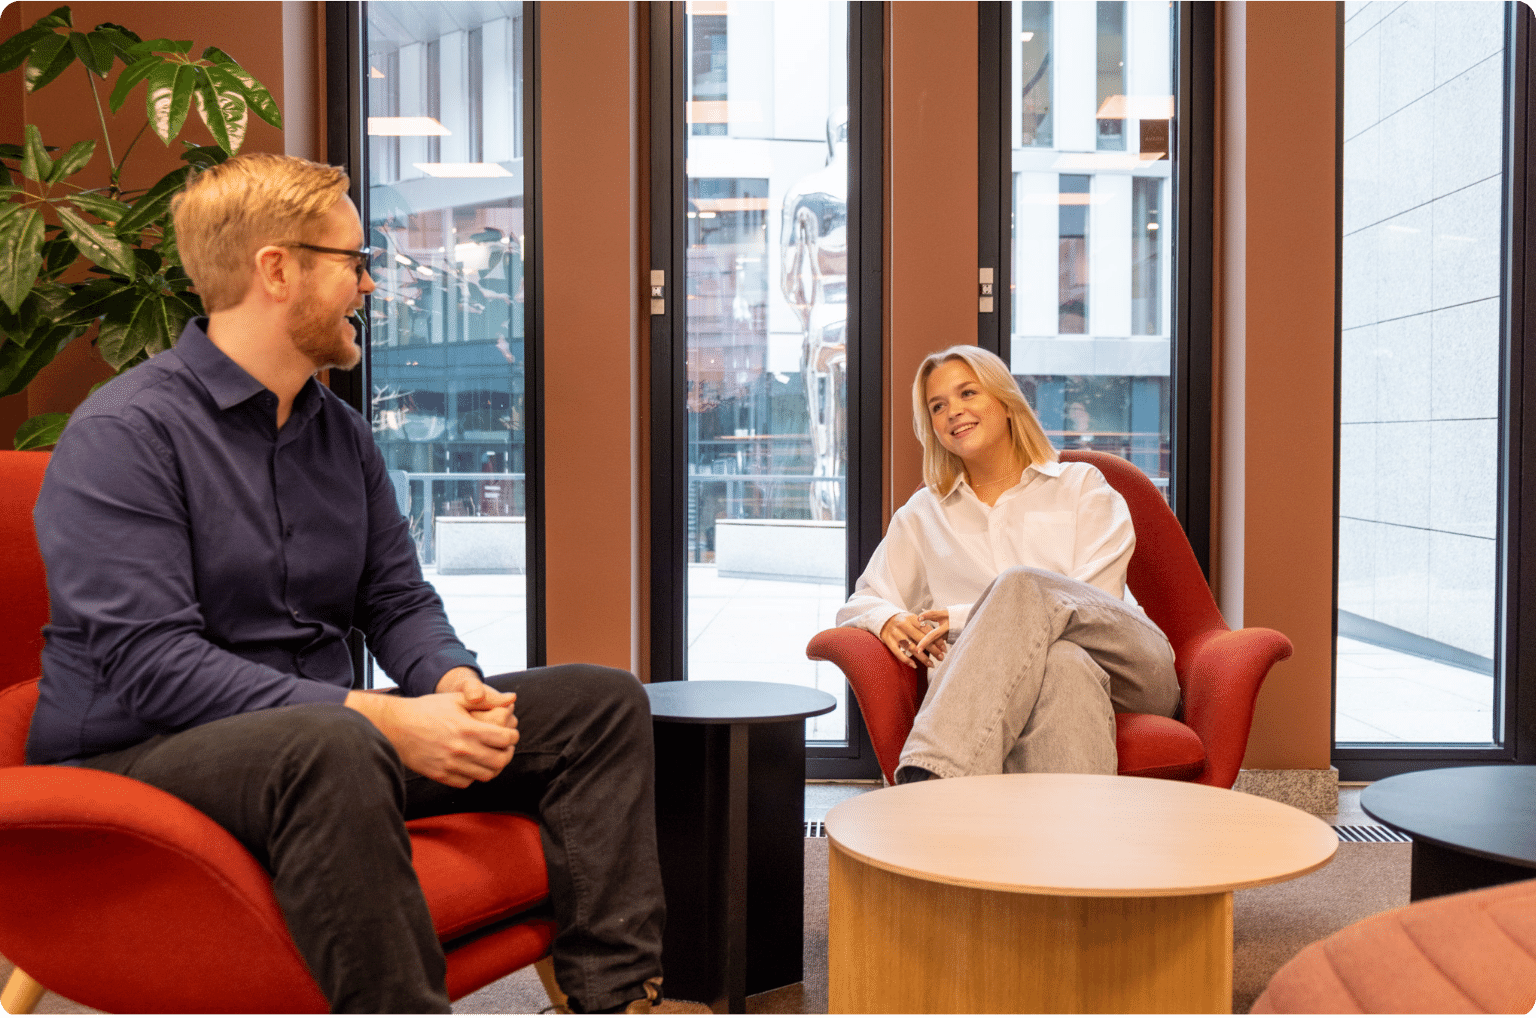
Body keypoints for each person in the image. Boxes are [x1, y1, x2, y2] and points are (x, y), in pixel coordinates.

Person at [29, 153, 665, 1015]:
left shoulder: (342, 435)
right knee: (333, 743)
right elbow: (155, 666)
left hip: (324, 751)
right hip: (139, 752)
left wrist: (451, 683)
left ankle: (618, 1000)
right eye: (356, 261)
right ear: (277, 270)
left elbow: (396, 600)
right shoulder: (126, 434)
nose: (371, 284)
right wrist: (381, 717)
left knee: (602, 702)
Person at [836, 345, 1181, 781]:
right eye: (937, 406)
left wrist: (964, 620)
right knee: (1062, 666)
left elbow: (1094, 603)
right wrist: (885, 618)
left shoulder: (1082, 486)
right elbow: (861, 602)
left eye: (967, 394)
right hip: (1039, 682)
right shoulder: (924, 514)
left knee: (1024, 587)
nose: (953, 412)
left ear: (1006, 402)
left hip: (1130, 667)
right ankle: (1069, 848)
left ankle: (931, 777)